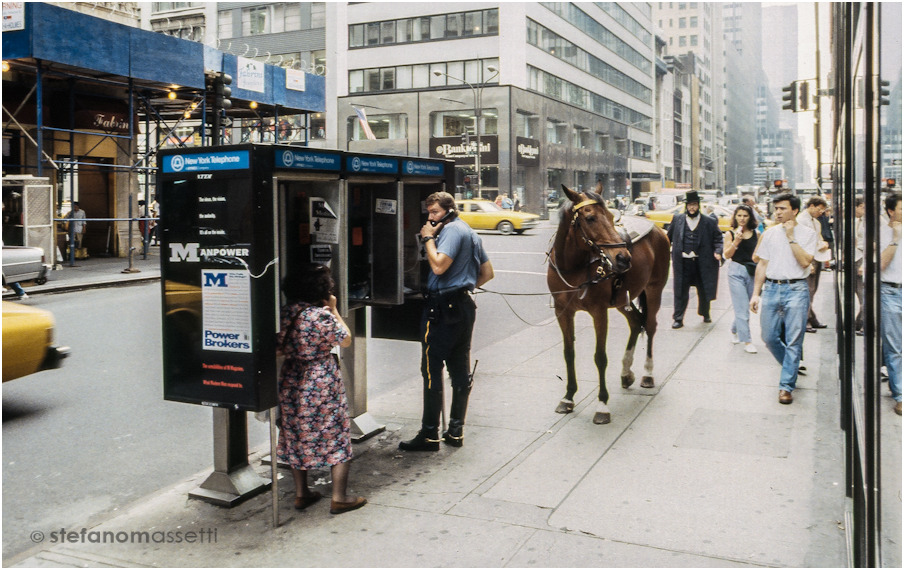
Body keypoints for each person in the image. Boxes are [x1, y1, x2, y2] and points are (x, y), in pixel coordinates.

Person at [399, 191, 494, 451]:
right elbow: (488, 273)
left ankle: (430, 434)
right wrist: (463, 286)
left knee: (431, 370)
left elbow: (439, 266)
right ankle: (455, 431)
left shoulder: (451, 231)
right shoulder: (469, 232)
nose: (430, 217)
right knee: (459, 369)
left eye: (435, 212)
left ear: (448, 211)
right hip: (463, 306)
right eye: (429, 212)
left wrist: (428, 238)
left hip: (441, 308)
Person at [276, 264, 367, 514]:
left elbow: (279, 346)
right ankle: (340, 497)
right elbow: (345, 339)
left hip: (292, 377)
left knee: (295, 432)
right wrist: (335, 309)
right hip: (320, 379)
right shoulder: (320, 316)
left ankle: (302, 493)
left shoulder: (285, 312)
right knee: (335, 433)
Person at [749, 193, 819, 405]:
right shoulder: (770, 233)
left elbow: (805, 261)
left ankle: (786, 386)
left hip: (796, 289)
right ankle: (791, 366)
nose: (777, 212)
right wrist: (756, 293)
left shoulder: (808, 233)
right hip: (772, 288)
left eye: (782, 208)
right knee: (769, 337)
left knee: (794, 340)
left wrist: (790, 236)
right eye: (776, 208)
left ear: (795, 210)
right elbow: (762, 264)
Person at [667, 190, 723, 329]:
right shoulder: (677, 219)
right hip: (683, 262)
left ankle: (705, 313)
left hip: (701, 262)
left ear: (698, 205)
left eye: (694, 205)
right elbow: (667, 238)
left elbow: (718, 239)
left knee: (704, 289)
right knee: (680, 291)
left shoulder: (709, 221)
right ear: (686, 206)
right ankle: (678, 318)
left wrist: (718, 251)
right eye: (689, 205)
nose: (692, 208)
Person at [723, 204, 759, 353]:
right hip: (735, 271)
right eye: (739, 216)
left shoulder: (756, 233)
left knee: (744, 306)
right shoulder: (730, 234)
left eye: (745, 216)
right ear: (735, 217)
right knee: (742, 308)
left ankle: (734, 329)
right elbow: (727, 255)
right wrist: (736, 243)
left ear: (750, 217)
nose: (742, 219)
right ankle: (747, 341)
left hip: (752, 271)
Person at [879, 193, 902, 415]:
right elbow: (881, 265)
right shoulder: (881, 233)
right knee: (895, 346)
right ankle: (900, 395)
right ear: (891, 211)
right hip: (890, 291)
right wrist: (895, 239)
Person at [796, 196, 831, 332]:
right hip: (808, 259)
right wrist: (808, 263)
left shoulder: (816, 222)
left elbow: (818, 238)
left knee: (813, 289)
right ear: (811, 206)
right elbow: (802, 243)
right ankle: (806, 320)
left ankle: (811, 317)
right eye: (819, 209)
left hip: (817, 257)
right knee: (808, 290)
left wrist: (823, 244)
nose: (821, 212)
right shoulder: (801, 220)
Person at [853, 197, 865, 334]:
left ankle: (863, 323)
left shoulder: (870, 222)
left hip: (863, 258)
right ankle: (860, 321)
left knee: (863, 292)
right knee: (859, 290)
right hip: (856, 257)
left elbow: (873, 244)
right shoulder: (858, 221)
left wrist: (864, 264)